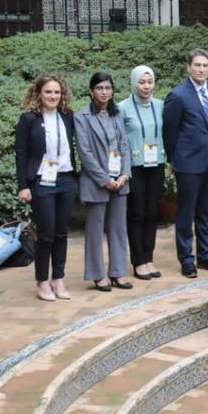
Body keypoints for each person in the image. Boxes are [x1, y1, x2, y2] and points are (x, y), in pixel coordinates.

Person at [163, 48, 208, 279]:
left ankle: (206, 256)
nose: (201, 69)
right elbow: (169, 132)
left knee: (207, 213)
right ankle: (187, 259)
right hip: (188, 164)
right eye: (197, 65)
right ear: (188, 67)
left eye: (205, 65)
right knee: (186, 213)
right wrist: (174, 159)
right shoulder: (178, 95)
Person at [15, 74, 79, 301]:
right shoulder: (29, 119)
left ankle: (58, 279)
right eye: (48, 92)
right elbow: (21, 154)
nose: (53, 96)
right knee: (46, 234)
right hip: (42, 182)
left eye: (57, 92)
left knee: (62, 233)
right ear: (39, 94)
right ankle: (42, 281)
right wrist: (23, 185)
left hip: (65, 180)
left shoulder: (68, 116)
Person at [75, 72, 132, 292]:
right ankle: (97, 275)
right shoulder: (82, 117)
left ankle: (118, 272)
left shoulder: (116, 114)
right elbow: (85, 152)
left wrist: (124, 175)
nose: (104, 92)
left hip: (120, 180)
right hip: (96, 181)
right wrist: (105, 179)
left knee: (118, 228)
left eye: (108, 88)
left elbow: (124, 147)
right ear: (91, 91)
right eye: (99, 88)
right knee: (95, 229)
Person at [117, 65, 163, 280]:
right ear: (134, 83)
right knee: (136, 213)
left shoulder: (161, 105)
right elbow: (117, 140)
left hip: (156, 165)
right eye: (142, 82)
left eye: (150, 82)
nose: (146, 86)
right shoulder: (122, 108)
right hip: (134, 167)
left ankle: (149, 257)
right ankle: (138, 261)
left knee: (152, 213)